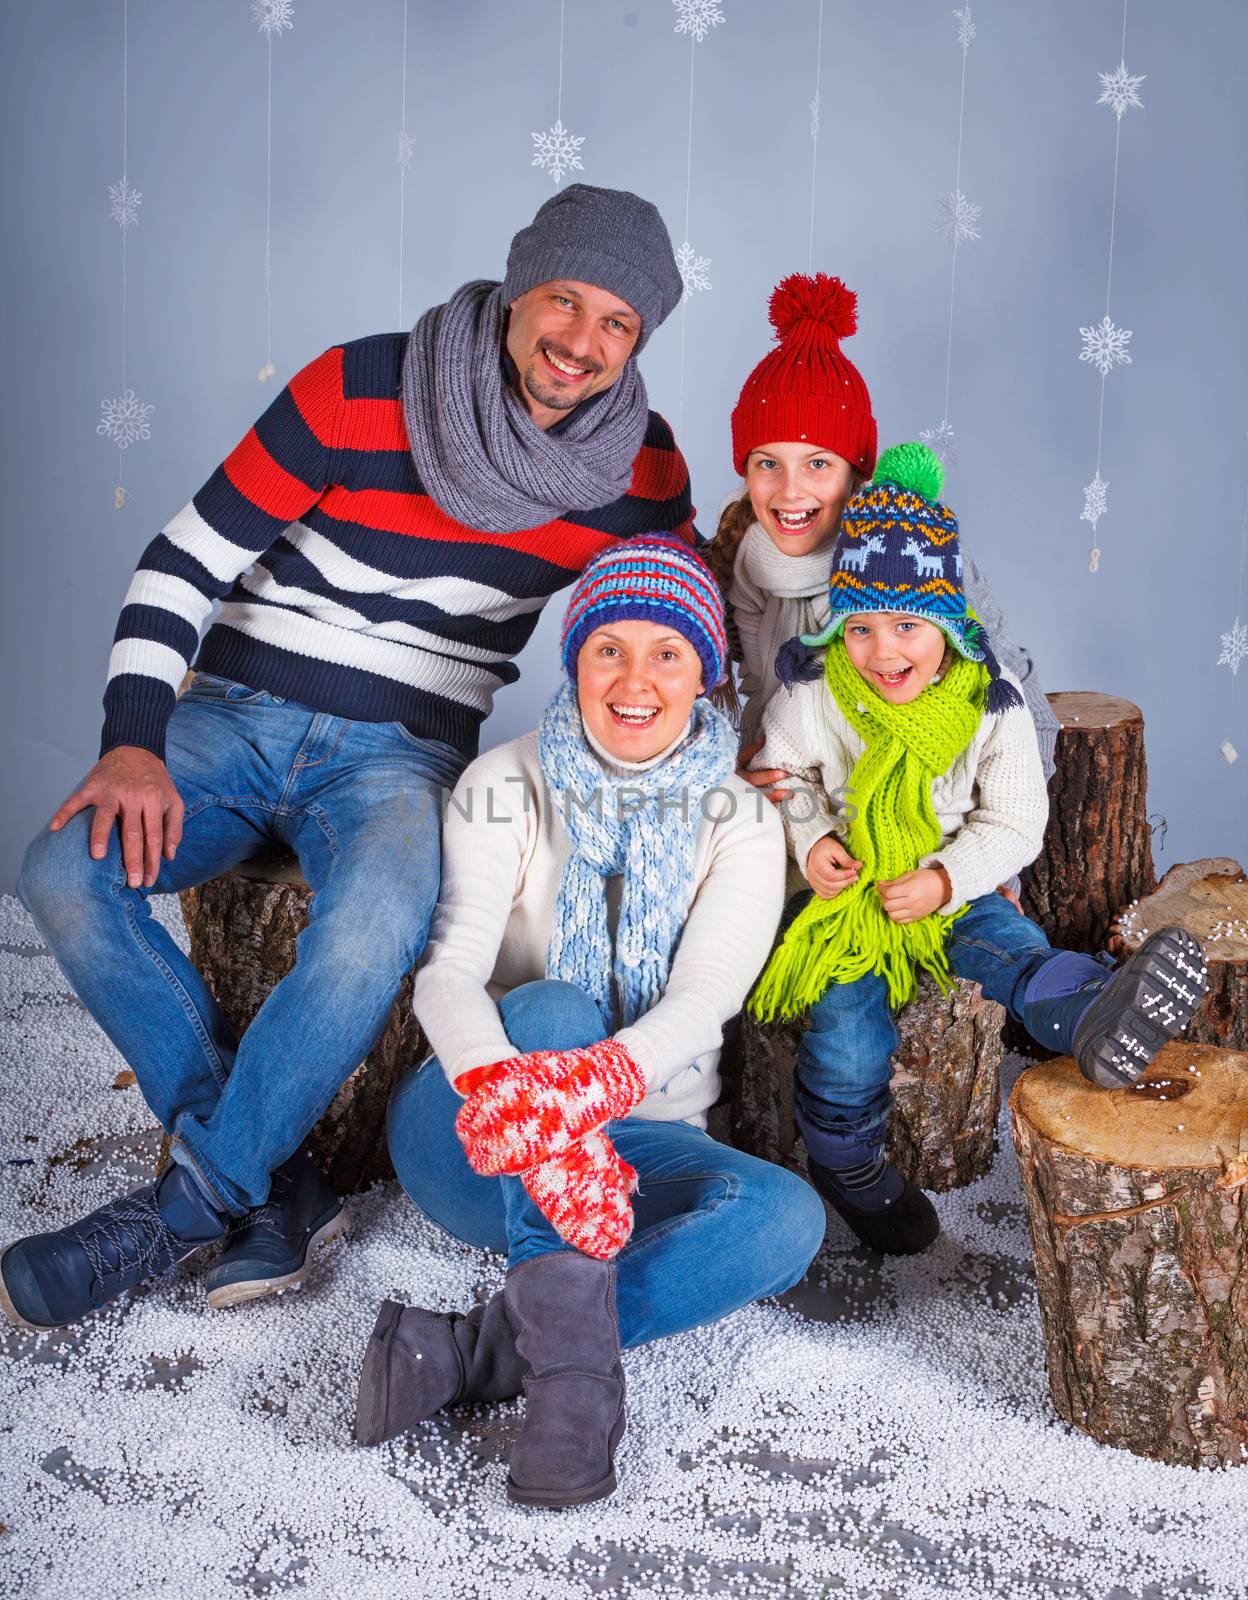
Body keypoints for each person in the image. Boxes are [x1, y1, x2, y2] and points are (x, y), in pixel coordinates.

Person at [1, 184, 694, 1334]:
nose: (580, 342)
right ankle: (260, 1178)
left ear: (641, 339)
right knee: (61, 872)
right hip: (233, 710)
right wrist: (134, 739)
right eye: (564, 301)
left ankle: (195, 1198)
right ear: (520, 285)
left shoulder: (641, 471)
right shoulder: (363, 386)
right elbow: (183, 559)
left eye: (617, 323)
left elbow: (680, 629)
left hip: (403, 756)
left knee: (381, 919)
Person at [353, 540, 826, 1509]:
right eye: (609, 648)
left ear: (707, 672)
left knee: (788, 1221)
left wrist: (594, 1090)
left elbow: (707, 996)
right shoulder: (502, 782)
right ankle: (572, 1392)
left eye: (668, 653)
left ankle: (469, 1349)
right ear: (575, 662)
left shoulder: (738, 813)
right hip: (475, 1136)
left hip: (638, 1143)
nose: (636, 680)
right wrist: (512, 1086)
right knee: (557, 1009)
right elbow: (450, 975)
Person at [749, 441, 1209, 1256]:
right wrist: (814, 836)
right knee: (847, 1032)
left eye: (907, 626)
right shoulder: (817, 694)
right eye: (858, 628)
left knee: (1013, 948)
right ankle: (846, 1161)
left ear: (951, 624)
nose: (882, 652)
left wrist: (943, 876)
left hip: (947, 887)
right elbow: (777, 772)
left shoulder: (989, 701)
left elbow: (1017, 820)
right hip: (850, 900)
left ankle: (1088, 1012)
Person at [704, 271, 1060, 843]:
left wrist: (986, 858)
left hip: (928, 826)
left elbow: (1022, 711)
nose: (791, 491)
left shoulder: (917, 558)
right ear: (744, 468)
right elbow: (709, 703)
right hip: (800, 815)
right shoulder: (737, 565)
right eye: (768, 463)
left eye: (819, 463)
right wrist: (737, 772)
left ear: (858, 470)